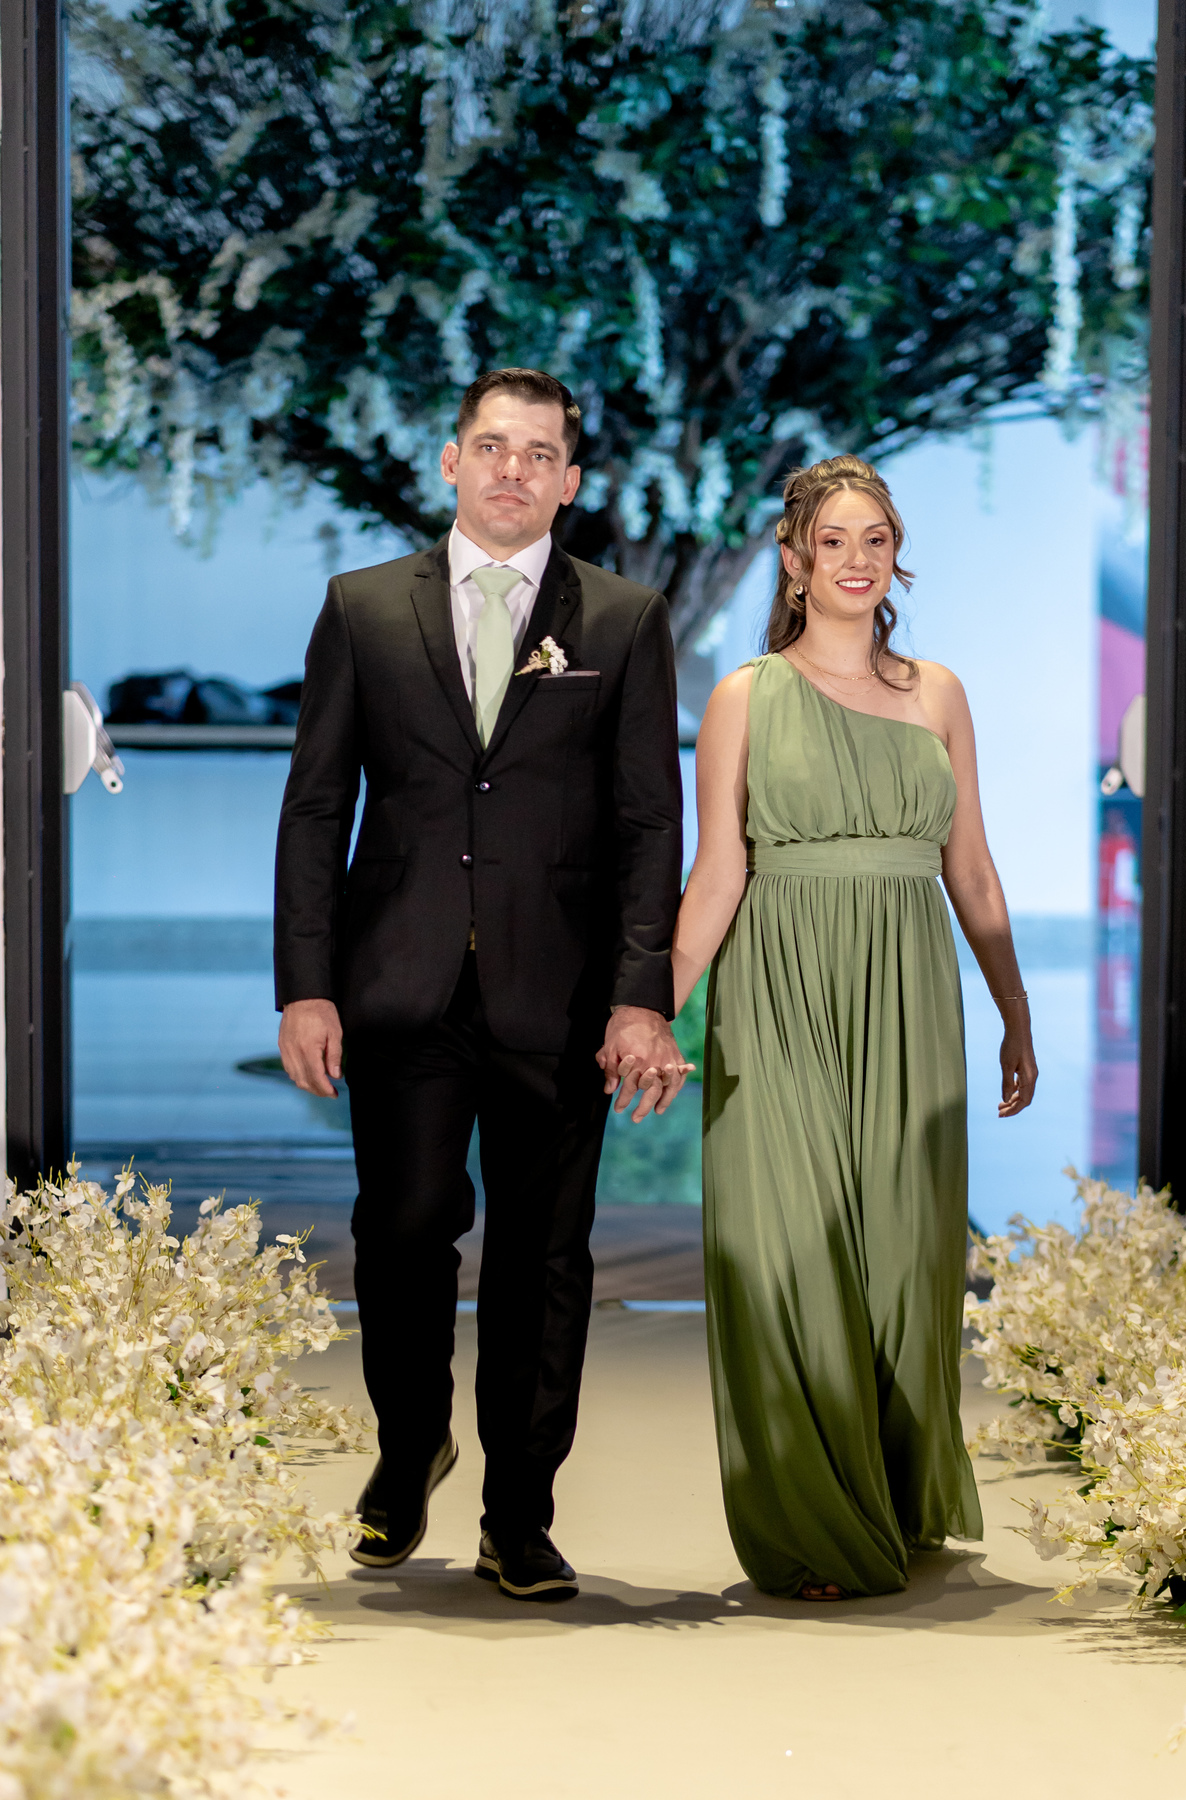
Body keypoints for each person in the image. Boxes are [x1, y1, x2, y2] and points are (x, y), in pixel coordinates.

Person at [274, 367, 689, 1602]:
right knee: (403, 1233)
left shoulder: (623, 619)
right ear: (451, 461)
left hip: (559, 997)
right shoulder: (362, 608)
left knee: (545, 1259)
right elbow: (315, 807)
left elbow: (649, 824)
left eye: (539, 453)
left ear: (571, 480)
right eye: (493, 447)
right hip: (398, 984)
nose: (515, 469)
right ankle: (410, 1449)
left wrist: (641, 995)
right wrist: (306, 985)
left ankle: (521, 1514)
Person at [670, 454, 1038, 1600]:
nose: (856, 558)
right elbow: (717, 871)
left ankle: (891, 1490)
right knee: (786, 1244)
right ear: (794, 562)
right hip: (777, 986)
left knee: (900, 1254)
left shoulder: (939, 694)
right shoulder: (744, 696)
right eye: (833, 540)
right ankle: (813, 1521)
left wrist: (1014, 1006)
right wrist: (650, 1011)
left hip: (910, 990)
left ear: (896, 558)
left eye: (875, 538)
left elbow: (971, 867)